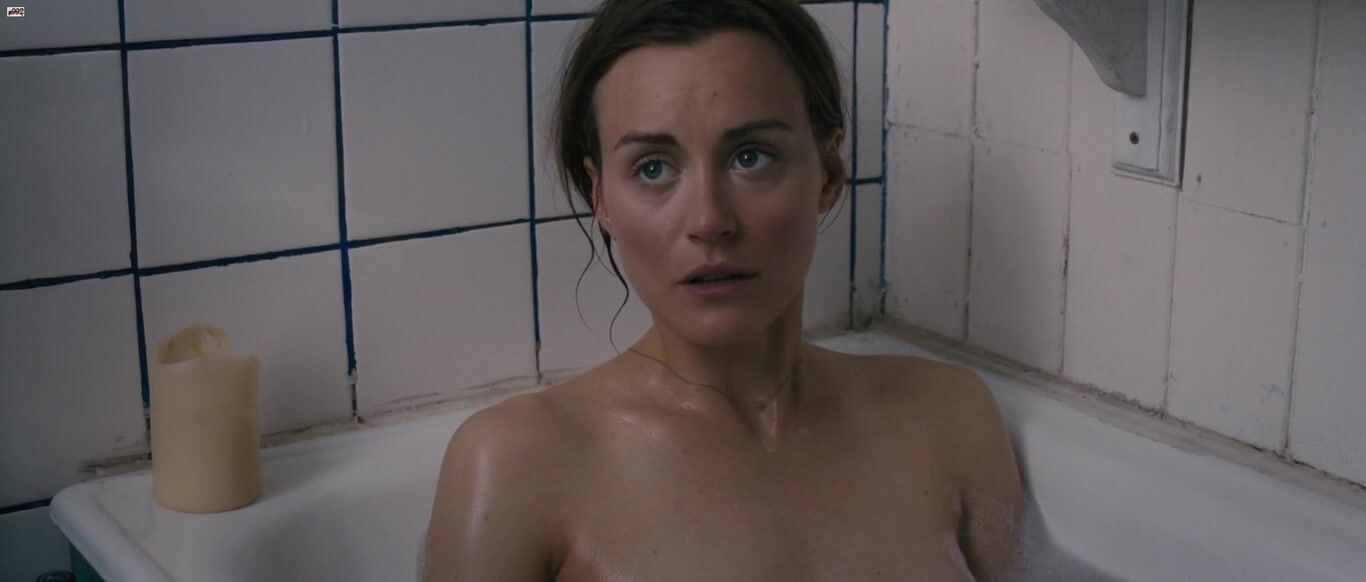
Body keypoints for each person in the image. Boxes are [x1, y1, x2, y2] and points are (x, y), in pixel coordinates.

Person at [421, 0, 1025, 579]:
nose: (709, 220)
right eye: (653, 168)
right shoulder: (517, 466)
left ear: (828, 173)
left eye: (751, 157)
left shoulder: (950, 419)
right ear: (601, 196)